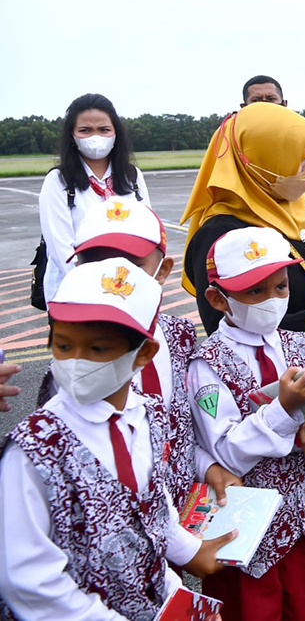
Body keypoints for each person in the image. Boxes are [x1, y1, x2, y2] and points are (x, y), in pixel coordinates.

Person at [0, 258, 233, 619]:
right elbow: (28, 578)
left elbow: (153, 513)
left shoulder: (149, 415)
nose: (76, 362)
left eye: (97, 349)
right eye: (63, 345)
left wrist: (183, 571)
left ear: (144, 353)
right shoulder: (33, 449)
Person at [188, 226, 305, 621]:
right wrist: (284, 408)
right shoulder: (207, 364)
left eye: (280, 287)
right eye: (255, 292)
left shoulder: (300, 344)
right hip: (243, 529)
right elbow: (226, 452)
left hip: (302, 520)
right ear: (217, 298)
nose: (272, 301)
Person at [69, 197, 241, 510]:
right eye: (98, 265)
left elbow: (181, 426)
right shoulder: (73, 356)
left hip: (179, 507)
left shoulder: (179, 336)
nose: (115, 281)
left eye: (131, 266)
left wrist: (206, 466)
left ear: (162, 271)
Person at [181, 103, 305, 351]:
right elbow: (222, 329)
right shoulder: (220, 232)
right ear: (260, 160)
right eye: (297, 157)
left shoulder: (294, 208)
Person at [38, 93, 150, 304]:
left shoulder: (132, 176)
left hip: (126, 289)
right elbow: (61, 246)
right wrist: (97, 287)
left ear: (116, 133)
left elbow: (148, 233)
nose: (95, 137)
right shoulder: (58, 180)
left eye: (104, 129)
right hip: (75, 292)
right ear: (72, 135)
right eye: (85, 130)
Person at [241, 75, 305, 251]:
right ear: (243, 107)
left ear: (284, 104)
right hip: (257, 247)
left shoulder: (303, 144)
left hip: (303, 238)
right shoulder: (234, 147)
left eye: (271, 99)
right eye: (256, 100)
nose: (265, 105)